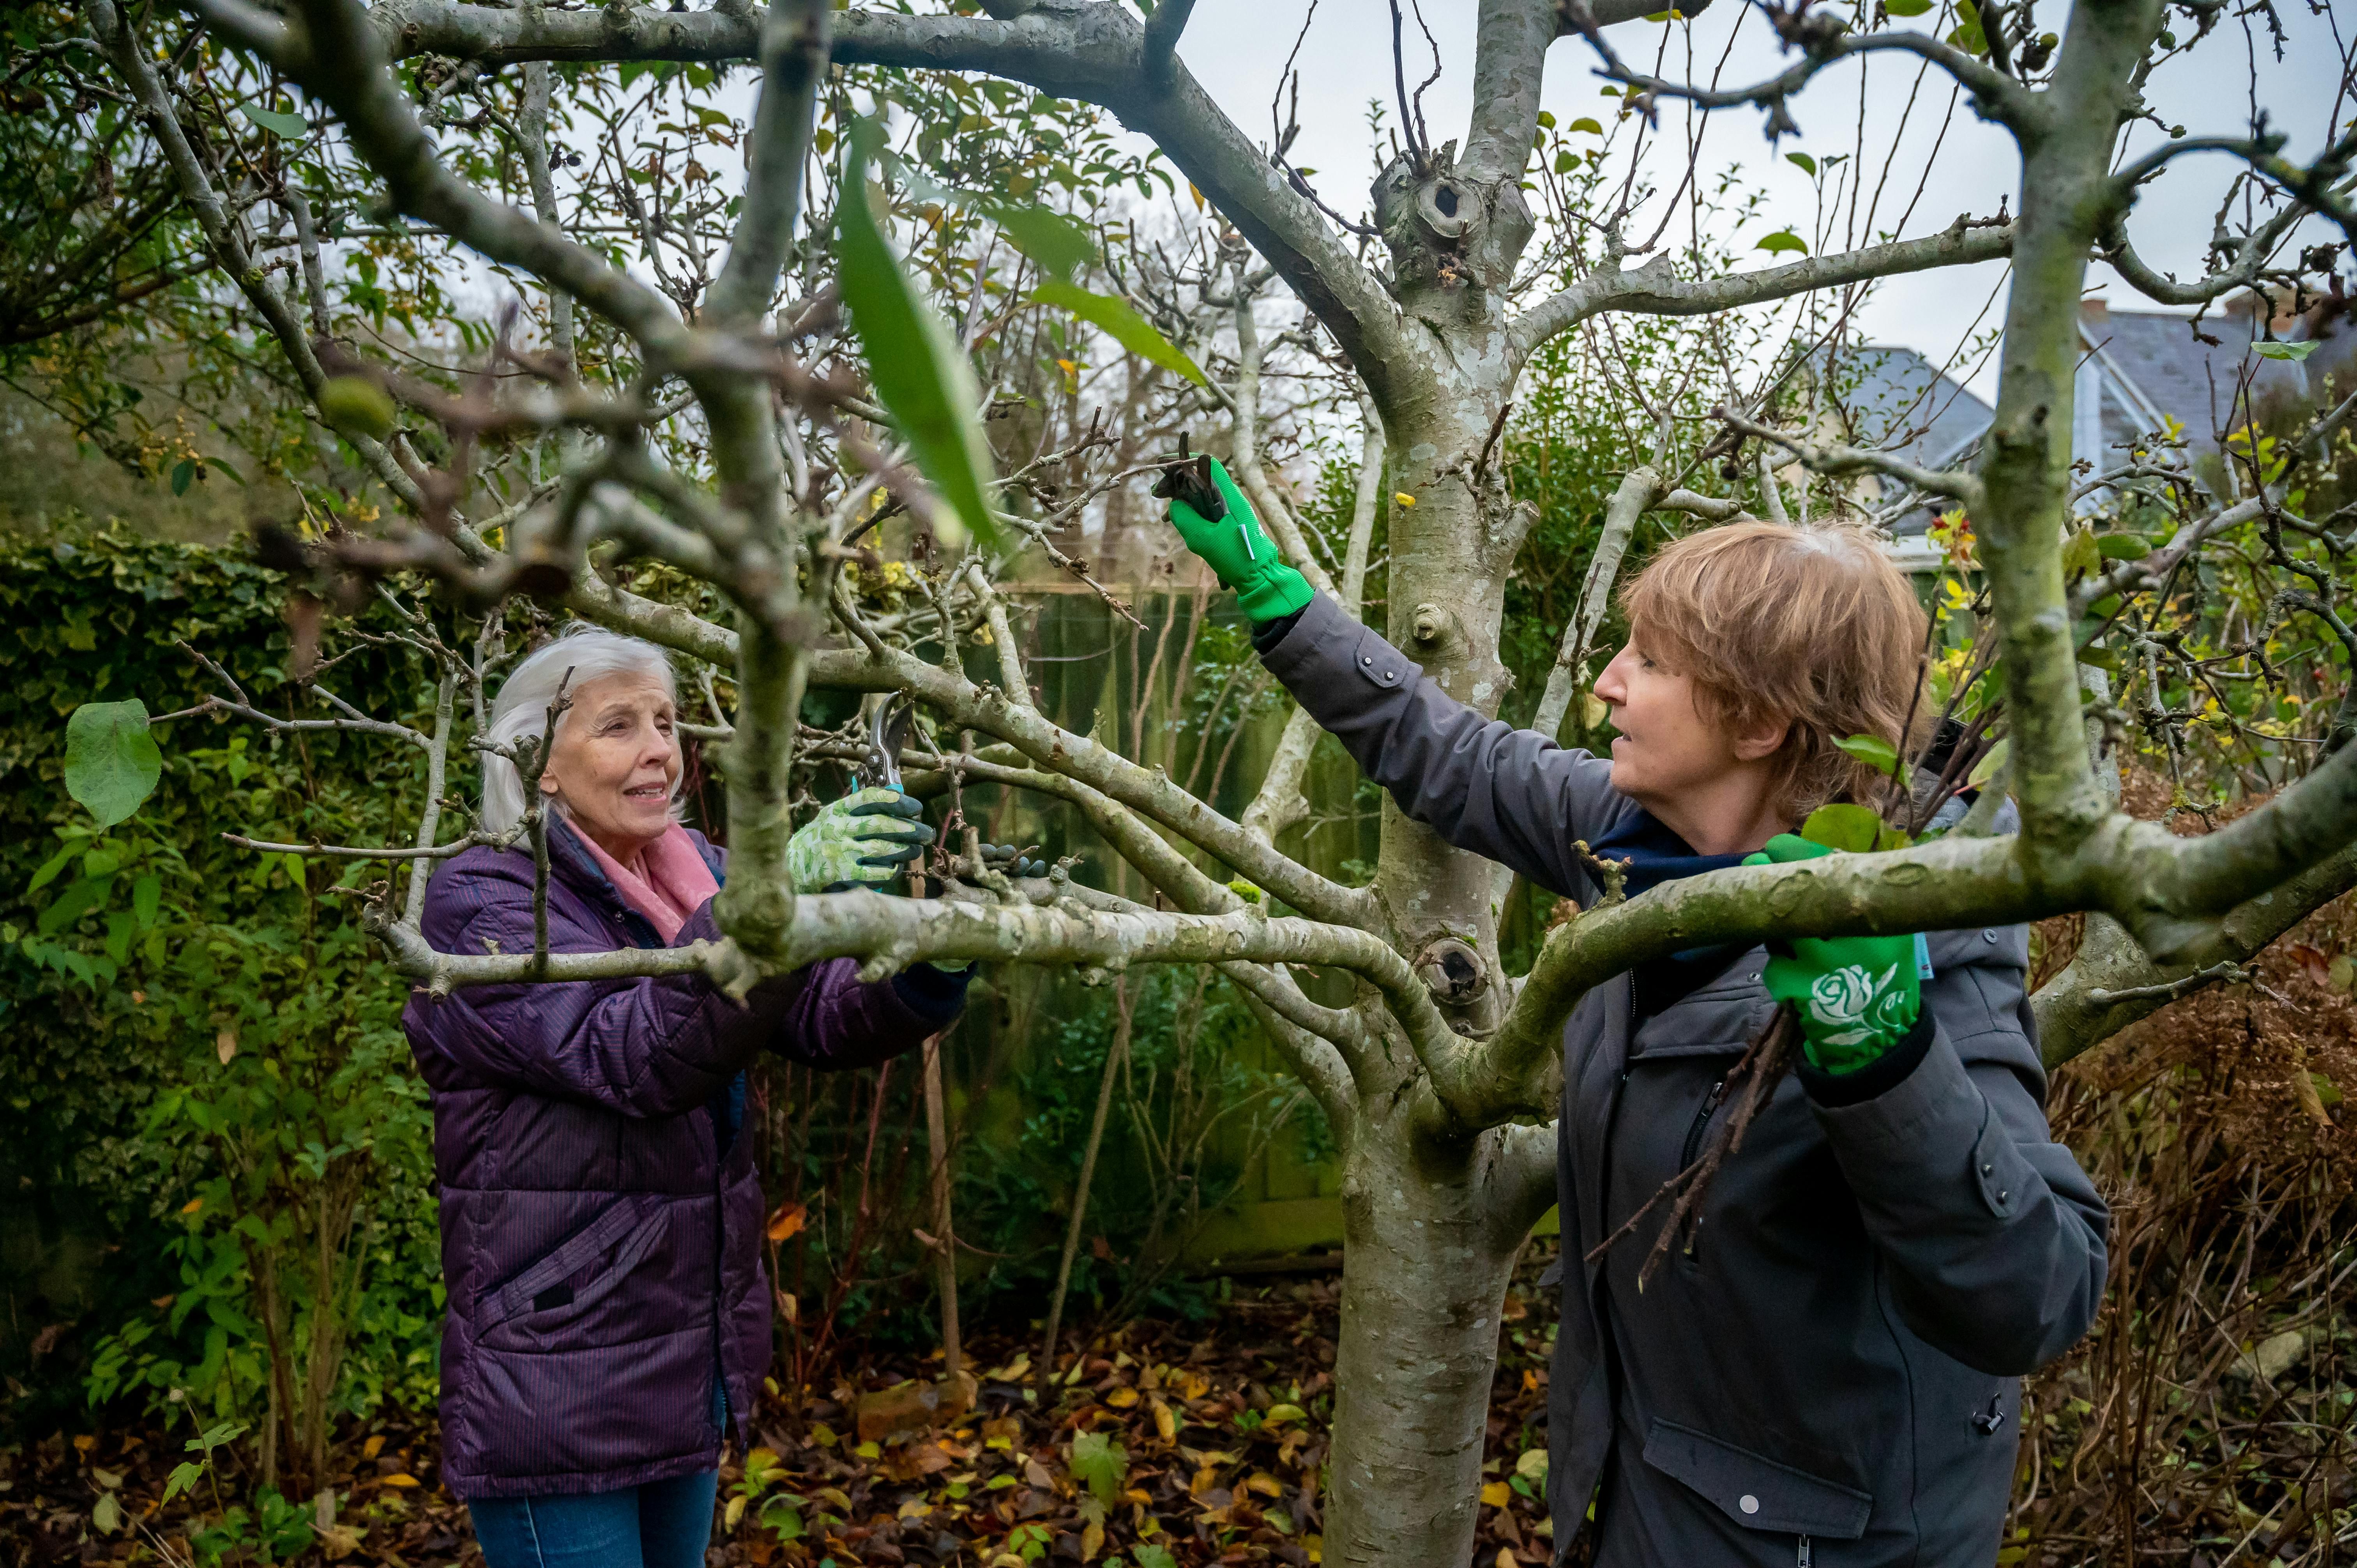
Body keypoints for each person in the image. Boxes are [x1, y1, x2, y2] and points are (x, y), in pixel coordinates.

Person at [1162, 460, 2108, 1568]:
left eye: (1650, 662)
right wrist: (1284, 608)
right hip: (1640, 1513)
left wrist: (1883, 1051)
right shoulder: (1639, 841)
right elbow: (1453, 756)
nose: (1607, 683)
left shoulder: (1925, 933)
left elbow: (2038, 1298)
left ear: (1756, 720)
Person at [403, 627, 966, 1568]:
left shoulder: (691, 871)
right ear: (537, 761)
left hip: (680, 1349)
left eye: (663, 721)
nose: (660, 747)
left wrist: (937, 958)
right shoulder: (486, 901)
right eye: (618, 725)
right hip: (558, 1367)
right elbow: (632, 1055)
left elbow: (818, 1018)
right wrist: (768, 891)